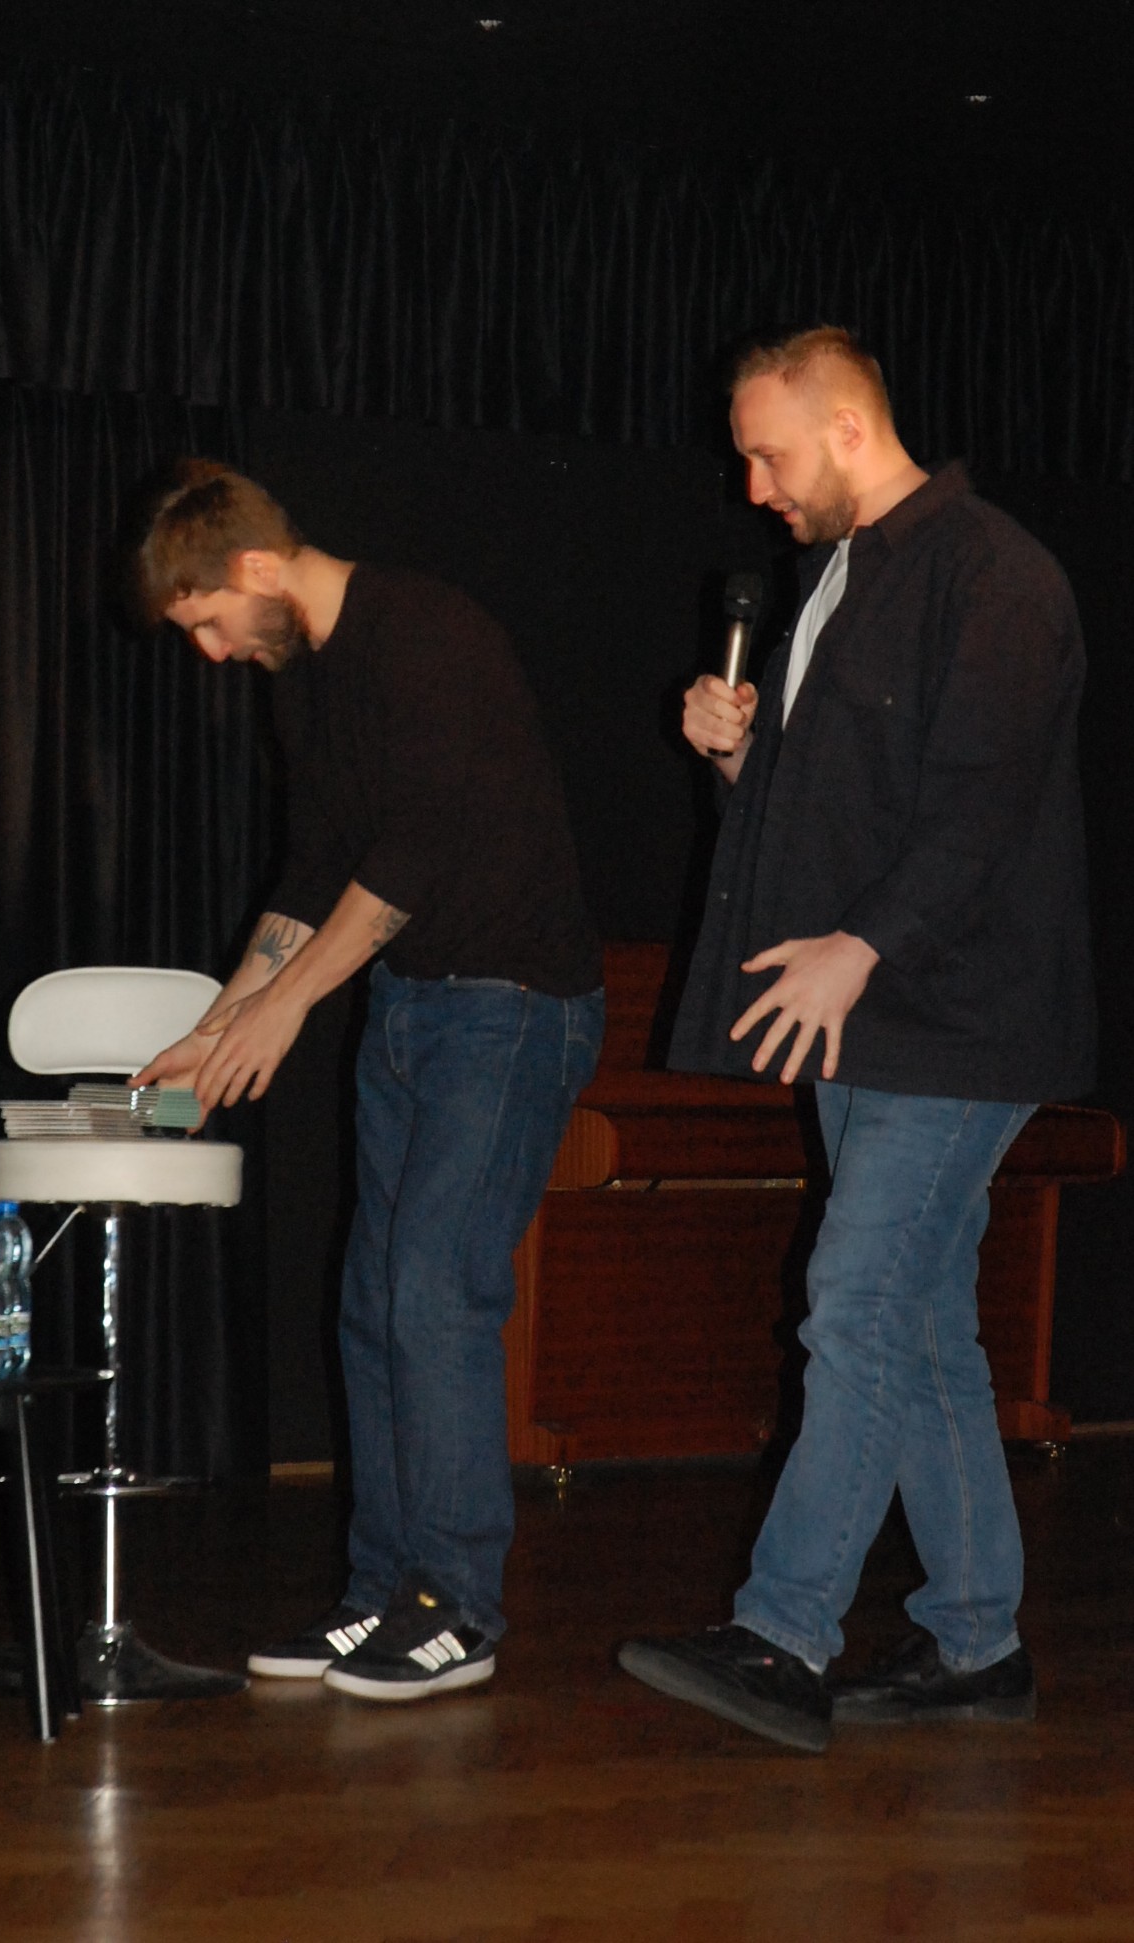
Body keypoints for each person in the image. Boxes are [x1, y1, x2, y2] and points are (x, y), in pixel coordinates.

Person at [618, 326, 1096, 1752]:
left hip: (957, 1017)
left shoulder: (996, 573)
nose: (752, 486)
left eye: (767, 454)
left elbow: (982, 806)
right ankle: (975, 1641)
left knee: (857, 1301)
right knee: (918, 1322)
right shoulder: (836, 580)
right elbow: (839, 814)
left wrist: (864, 945)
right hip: (867, 1015)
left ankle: (783, 1633)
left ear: (843, 426)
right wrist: (738, 758)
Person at [128, 461, 604, 1702]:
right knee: (372, 1303)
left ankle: (456, 1608)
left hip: (511, 1006)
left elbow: (412, 854)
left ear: (254, 567)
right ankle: (378, 1595)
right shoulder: (305, 679)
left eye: (209, 623)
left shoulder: (427, 632)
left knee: (434, 1297)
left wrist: (286, 1007)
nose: (213, 653)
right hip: (411, 1008)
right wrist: (216, 1020)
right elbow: (316, 866)